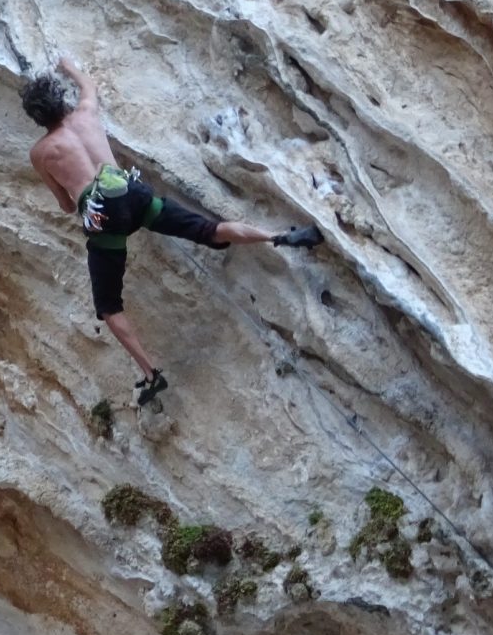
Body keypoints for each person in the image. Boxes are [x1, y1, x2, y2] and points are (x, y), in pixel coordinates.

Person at [24, 56, 323, 405]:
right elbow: (88, 85)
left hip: (103, 216)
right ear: (61, 100)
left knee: (108, 306)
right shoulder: (86, 114)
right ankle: (278, 236)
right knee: (209, 229)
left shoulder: (41, 152)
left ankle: (151, 375)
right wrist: (67, 66)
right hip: (130, 192)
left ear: (36, 118)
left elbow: (65, 204)